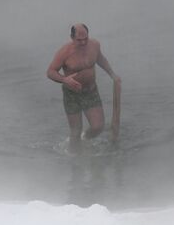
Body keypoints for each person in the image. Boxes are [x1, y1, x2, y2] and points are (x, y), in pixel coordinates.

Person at [47, 23, 121, 153]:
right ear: (72, 37)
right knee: (75, 131)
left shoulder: (94, 45)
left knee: (98, 126)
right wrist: (65, 79)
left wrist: (113, 75)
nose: (83, 42)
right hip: (72, 94)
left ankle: (85, 139)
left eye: (85, 38)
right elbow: (50, 72)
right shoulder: (64, 52)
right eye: (79, 40)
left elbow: (100, 59)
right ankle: (75, 160)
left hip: (90, 91)